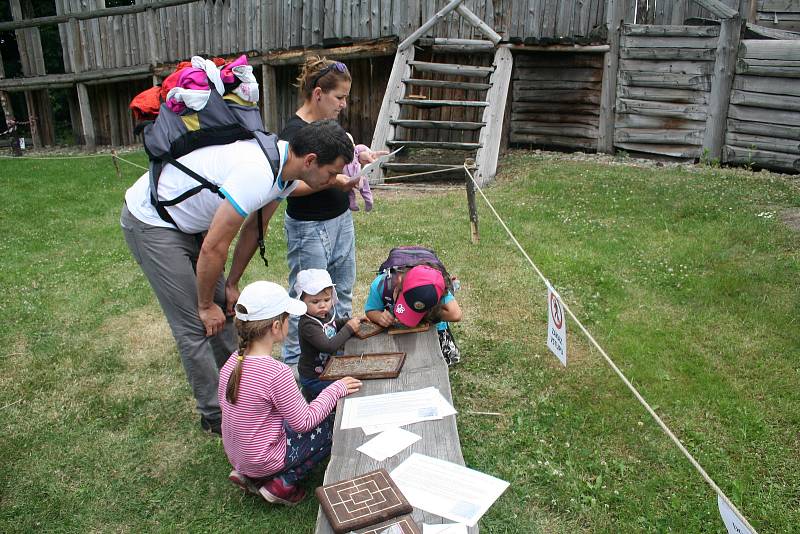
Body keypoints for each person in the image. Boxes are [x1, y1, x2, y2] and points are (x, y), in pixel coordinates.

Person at [121, 119, 354, 435]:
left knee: (226, 311)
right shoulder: (257, 173)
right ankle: (214, 415)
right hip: (153, 223)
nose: (332, 179)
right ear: (311, 160)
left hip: (189, 223)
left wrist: (231, 285)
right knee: (195, 322)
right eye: (330, 173)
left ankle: (241, 395)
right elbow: (214, 248)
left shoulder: (284, 171)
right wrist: (204, 305)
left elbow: (254, 230)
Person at [279, 56, 388, 375]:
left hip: (340, 220)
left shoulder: (328, 127)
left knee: (340, 292)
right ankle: (297, 370)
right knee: (308, 300)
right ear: (317, 94)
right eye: (339, 97)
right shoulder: (293, 133)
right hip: (309, 228)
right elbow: (288, 187)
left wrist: (359, 157)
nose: (343, 104)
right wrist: (334, 180)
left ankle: (337, 354)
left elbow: (340, 156)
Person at [219, 281, 361, 505]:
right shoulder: (277, 372)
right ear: (276, 326)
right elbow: (304, 422)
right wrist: (336, 389)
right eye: (288, 319)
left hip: (239, 456)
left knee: (289, 421)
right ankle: (282, 483)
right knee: (333, 425)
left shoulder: (231, 363)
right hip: (263, 458)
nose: (289, 324)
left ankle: (251, 474)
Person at [364, 264, 463, 365]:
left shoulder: (435, 285)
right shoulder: (381, 285)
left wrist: (428, 313)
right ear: (398, 282)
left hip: (433, 329)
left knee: (439, 360)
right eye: (407, 306)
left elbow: (456, 315)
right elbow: (370, 310)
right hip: (396, 332)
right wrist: (379, 317)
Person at [295, 269, 362, 400]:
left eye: (327, 299)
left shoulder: (324, 314)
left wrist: (348, 321)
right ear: (302, 302)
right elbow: (328, 346)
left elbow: (333, 325)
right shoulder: (308, 324)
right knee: (344, 392)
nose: (322, 305)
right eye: (315, 302)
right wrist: (349, 328)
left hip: (328, 368)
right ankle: (318, 409)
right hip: (314, 377)